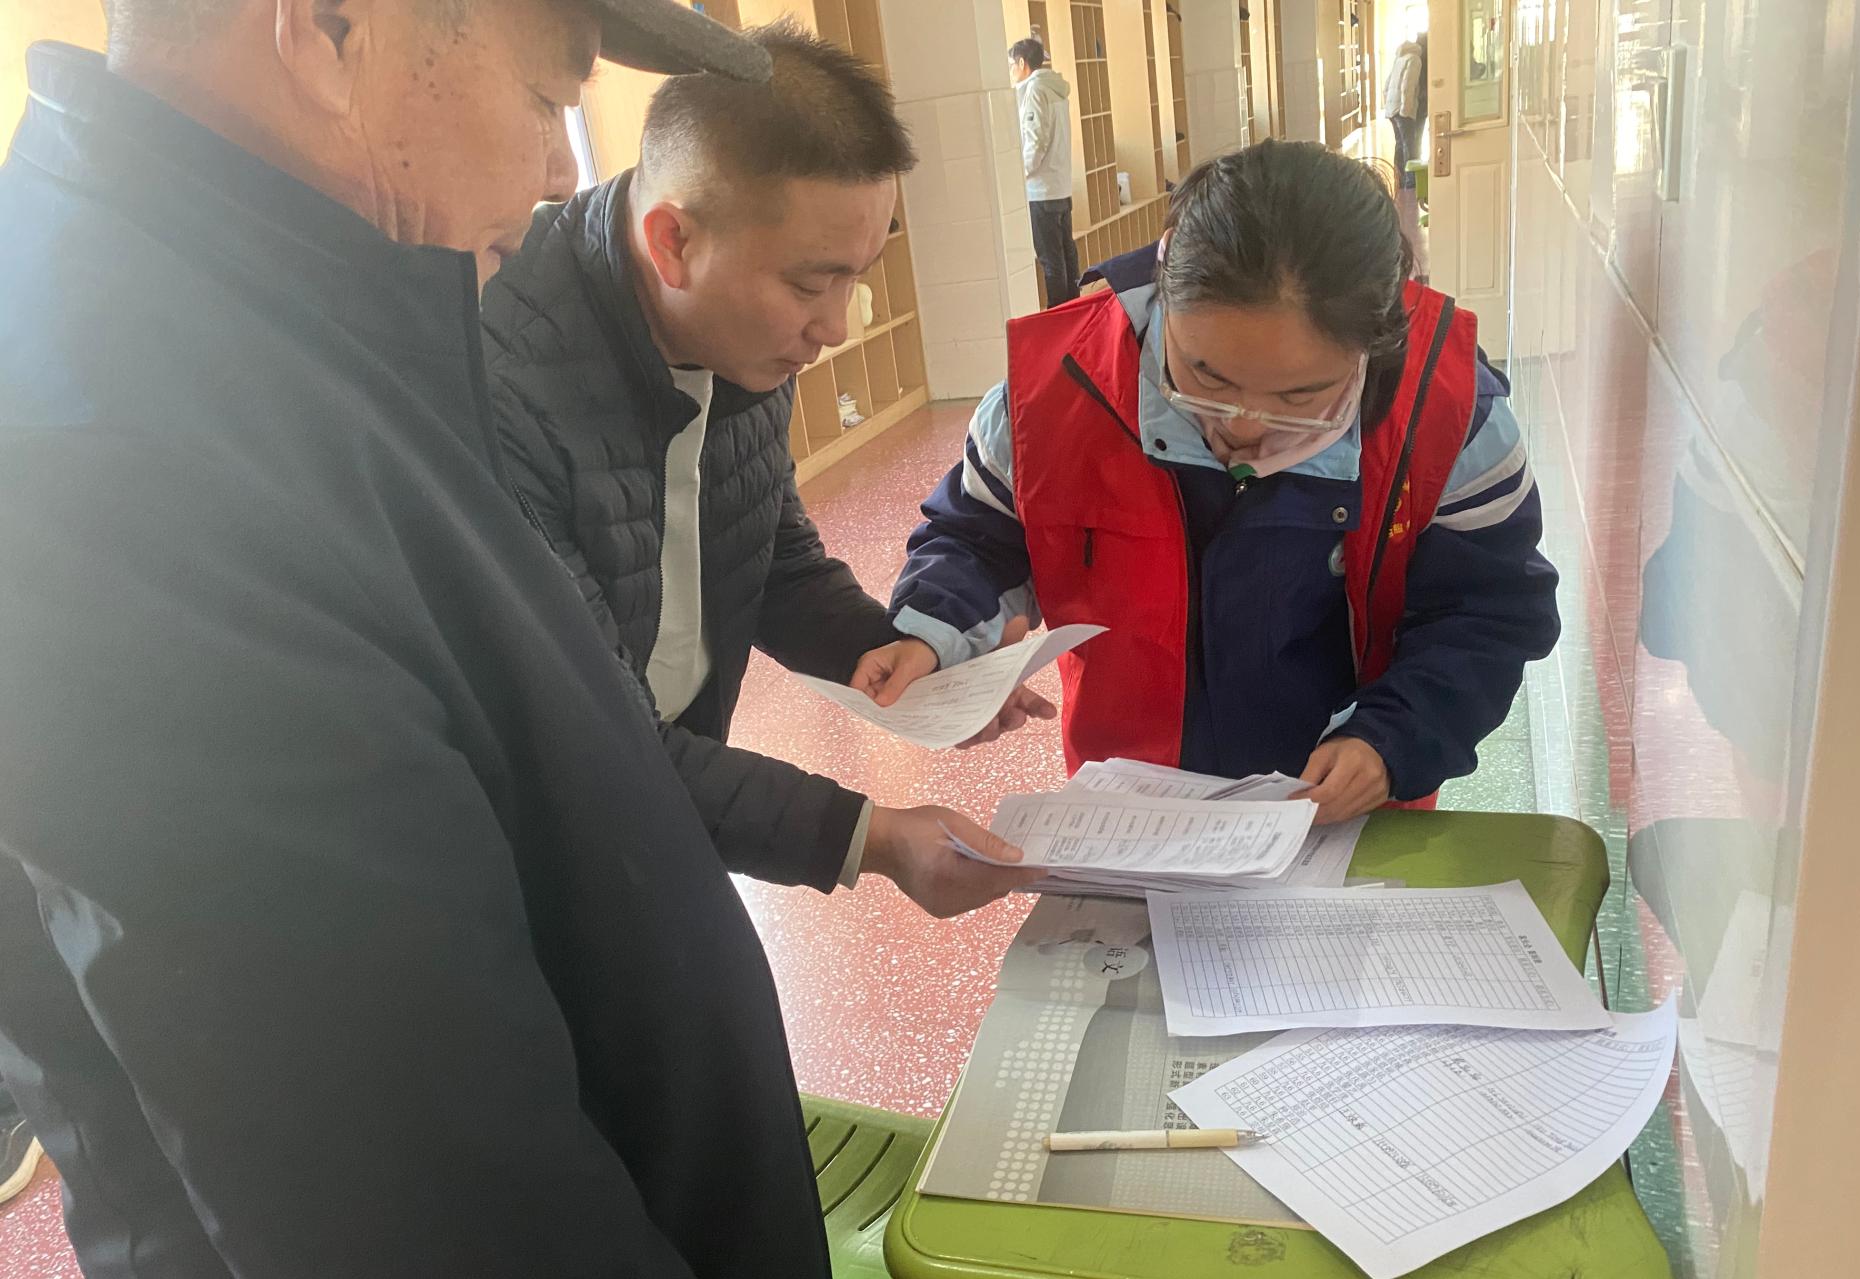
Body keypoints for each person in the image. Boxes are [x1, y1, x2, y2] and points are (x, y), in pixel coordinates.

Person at [0, 2, 899, 1279]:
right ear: (328, 31)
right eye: (547, 97)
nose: (561, 169)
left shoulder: (302, 312)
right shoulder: (112, 450)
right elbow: (431, 1208)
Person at [485, 21, 1047, 913]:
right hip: (525, 850)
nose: (837, 326)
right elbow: (595, 737)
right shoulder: (503, 382)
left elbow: (771, 558)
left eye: (857, 276)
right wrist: (870, 837)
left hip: (666, 804)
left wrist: (913, 668)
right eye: (809, 284)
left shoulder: (740, 344)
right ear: (673, 241)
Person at [854, 140, 1560, 823]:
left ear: (1372, 345)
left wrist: (1390, 740)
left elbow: (1486, 615)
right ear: (1166, 289)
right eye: (1206, 377)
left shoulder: (1448, 415)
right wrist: (936, 634)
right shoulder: (1055, 393)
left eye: (1298, 396)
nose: (1244, 429)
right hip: (1134, 815)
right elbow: (978, 539)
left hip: (1345, 817)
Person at [1010, 36, 1079, 308]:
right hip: (1060, 185)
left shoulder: (1035, 91)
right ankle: (1073, 309)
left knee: (1051, 260)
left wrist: (1020, 175)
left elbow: (1035, 142)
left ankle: (1058, 314)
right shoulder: (1055, 89)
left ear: (1022, 63)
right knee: (1066, 254)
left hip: (1041, 190)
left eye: (1012, 65)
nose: (1011, 71)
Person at [1385, 33, 1426, 192]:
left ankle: (1399, 178)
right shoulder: (1415, 59)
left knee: (1399, 144)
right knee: (1409, 144)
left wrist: (1388, 105)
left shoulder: (1399, 57)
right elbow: (1408, 86)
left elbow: (1387, 84)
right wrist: (1406, 110)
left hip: (1392, 107)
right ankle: (1411, 180)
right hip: (1403, 108)